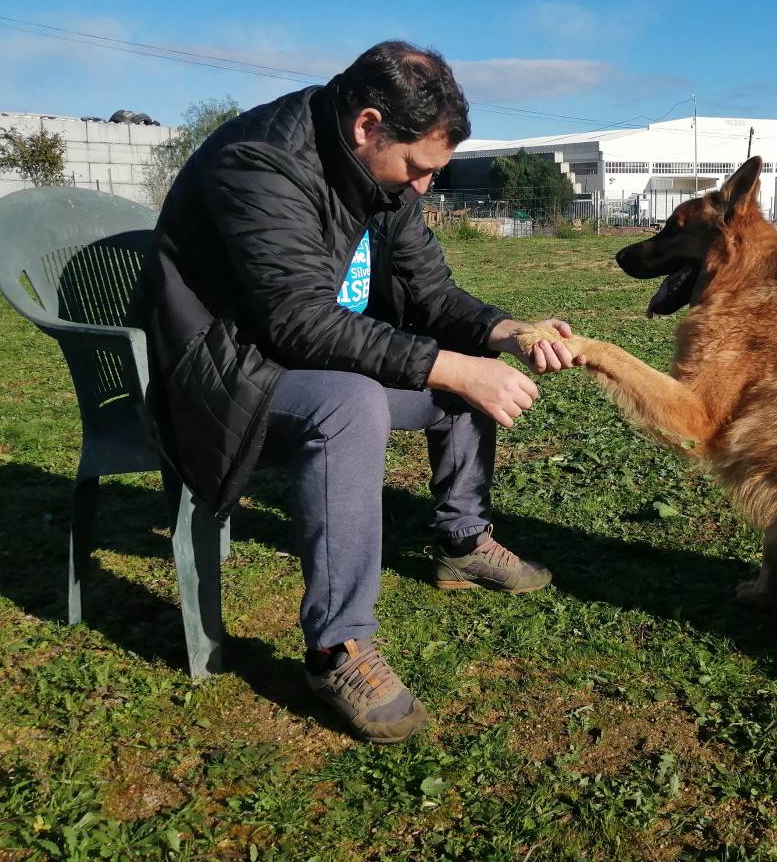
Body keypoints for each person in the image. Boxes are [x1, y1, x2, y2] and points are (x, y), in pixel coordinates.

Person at [145, 41, 581, 743]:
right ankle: (336, 648)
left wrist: (504, 330)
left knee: (454, 367)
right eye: (419, 168)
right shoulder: (258, 160)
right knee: (349, 403)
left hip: (306, 358)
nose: (424, 188)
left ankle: (462, 539)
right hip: (219, 370)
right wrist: (450, 366)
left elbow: (430, 292)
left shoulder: (384, 180)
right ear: (368, 125)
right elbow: (295, 322)